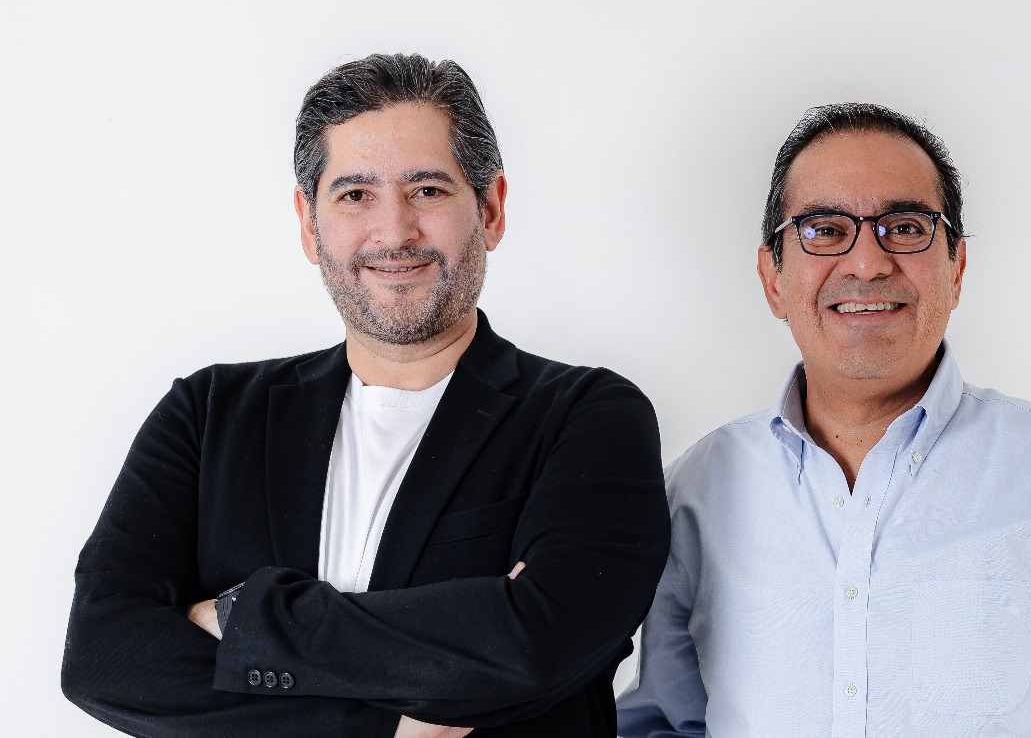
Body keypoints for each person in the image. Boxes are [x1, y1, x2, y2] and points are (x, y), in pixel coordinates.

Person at [62, 53, 670, 738]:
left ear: (491, 209)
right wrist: (389, 720)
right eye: (355, 195)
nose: (394, 232)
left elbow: (535, 644)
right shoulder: (207, 415)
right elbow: (104, 658)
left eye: (428, 190)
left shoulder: (587, 416)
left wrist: (244, 618)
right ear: (308, 222)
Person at [616, 103, 1031, 736]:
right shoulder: (697, 490)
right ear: (773, 278)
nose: (867, 263)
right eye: (824, 229)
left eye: (905, 227)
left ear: (956, 269)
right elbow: (663, 723)